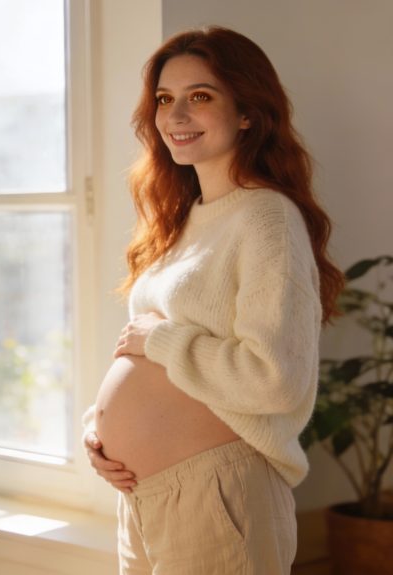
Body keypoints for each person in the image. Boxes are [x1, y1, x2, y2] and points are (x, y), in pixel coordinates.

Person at [82, 26, 342, 574]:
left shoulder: (266, 218)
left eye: (200, 97)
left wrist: (165, 340)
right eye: (164, 99)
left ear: (247, 112)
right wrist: (99, 429)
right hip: (144, 496)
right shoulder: (184, 220)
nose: (176, 116)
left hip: (219, 491)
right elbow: (149, 366)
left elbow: (276, 378)